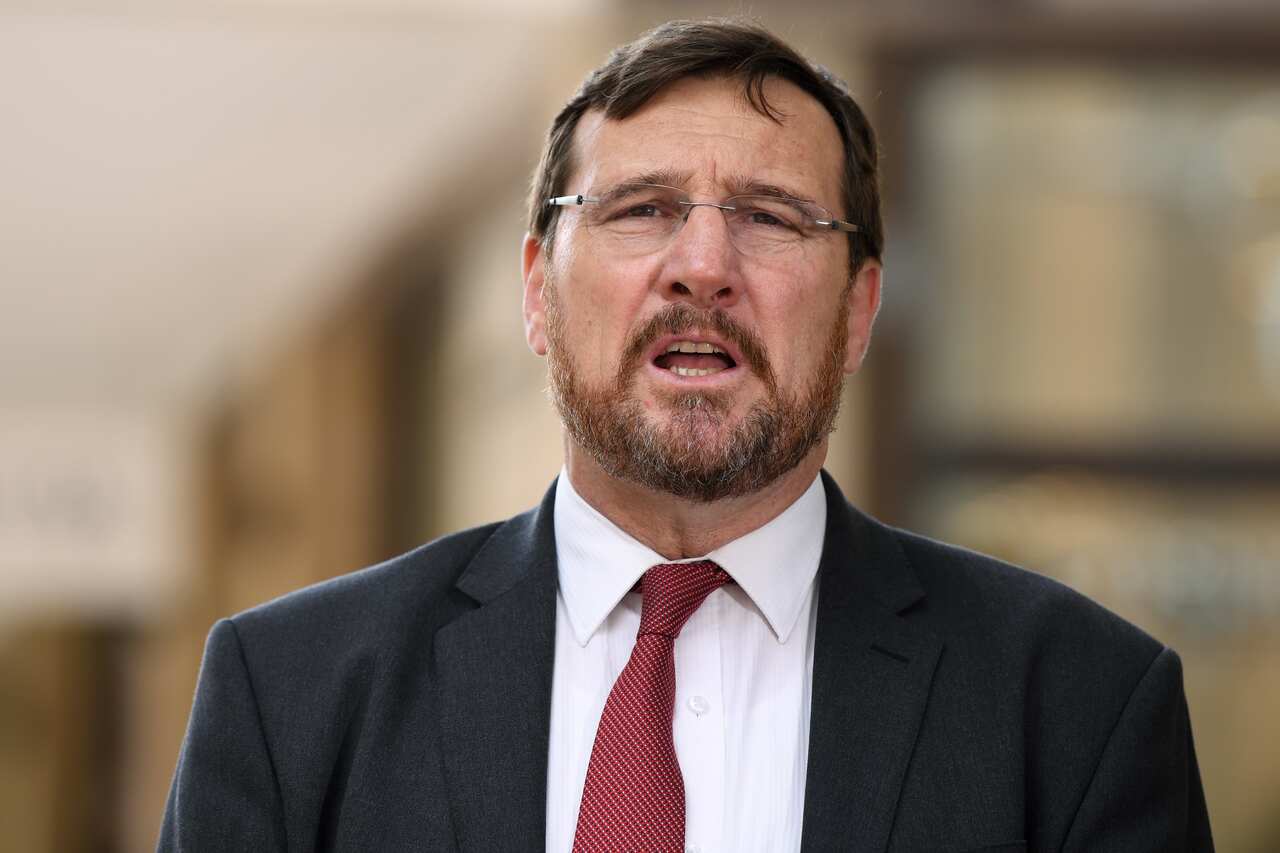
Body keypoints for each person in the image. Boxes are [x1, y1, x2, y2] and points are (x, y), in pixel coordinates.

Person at [159, 19, 1213, 853]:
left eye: (770, 216)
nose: (702, 265)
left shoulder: (1078, 706)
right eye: (641, 208)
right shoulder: (290, 692)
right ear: (536, 293)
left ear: (856, 310)